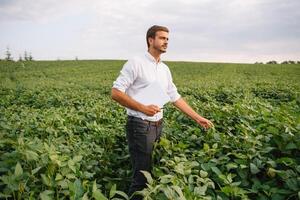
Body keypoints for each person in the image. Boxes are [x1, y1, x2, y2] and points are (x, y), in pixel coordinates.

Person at [111, 25, 213, 200]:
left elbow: (175, 97)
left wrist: (198, 118)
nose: (166, 42)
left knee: (152, 173)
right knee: (142, 178)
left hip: (158, 125)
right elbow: (116, 93)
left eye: (167, 39)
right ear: (151, 40)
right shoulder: (136, 62)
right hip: (140, 126)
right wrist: (142, 108)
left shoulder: (164, 69)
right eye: (162, 38)